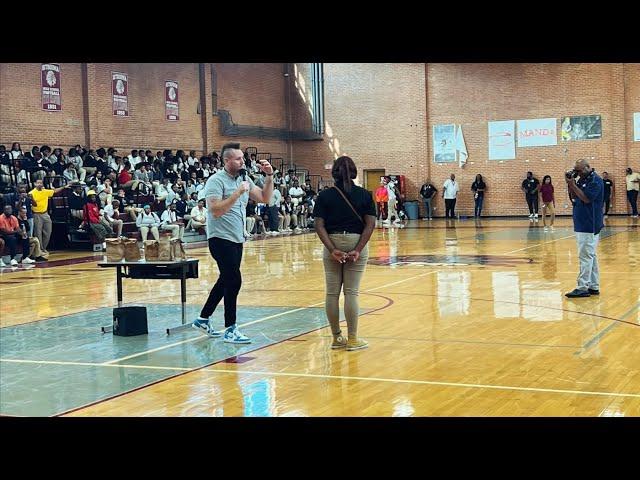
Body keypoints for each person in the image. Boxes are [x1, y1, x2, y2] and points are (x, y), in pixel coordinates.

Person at [191, 147, 274, 344]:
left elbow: (264, 197)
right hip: (220, 239)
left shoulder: (243, 179)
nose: (242, 162)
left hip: (237, 238)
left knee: (226, 280)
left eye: (242, 158)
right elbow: (215, 211)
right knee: (234, 280)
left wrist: (269, 176)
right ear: (226, 160)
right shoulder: (216, 181)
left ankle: (203, 319)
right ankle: (231, 328)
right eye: (238, 159)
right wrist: (237, 193)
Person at [313, 156, 376, 351]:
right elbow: (370, 224)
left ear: (334, 173)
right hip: (355, 240)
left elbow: (318, 224)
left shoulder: (324, 196)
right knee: (351, 292)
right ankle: (353, 338)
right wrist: (357, 249)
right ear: (355, 172)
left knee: (332, 293)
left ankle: (336, 337)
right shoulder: (365, 195)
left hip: (333, 240)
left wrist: (332, 249)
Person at [564, 159, 604, 298]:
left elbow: (586, 198)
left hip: (589, 223)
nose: (578, 173)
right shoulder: (582, 179)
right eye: (576, 170)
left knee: (585, 256)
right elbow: (574, 196)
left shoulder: (595, 181)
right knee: (590, 255)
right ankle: (593, 286)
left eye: (580, 170)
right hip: (581, 222)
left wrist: (572, 184)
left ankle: (582, 287)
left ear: (588, 167)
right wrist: (571, 184)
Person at [29, 178, 75, 254]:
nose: (40, 184)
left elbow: (55, 191)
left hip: (45, 213)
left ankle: (44, 247)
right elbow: (34, 204)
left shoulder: (45, 191)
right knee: (38, 233)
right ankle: (39, 250)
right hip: (37, 214)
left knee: (48, 231)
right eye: (38, 183)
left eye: (41, 183)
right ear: (35, 184)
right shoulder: (31, 193)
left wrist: (64, 187)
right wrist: (32, 199)